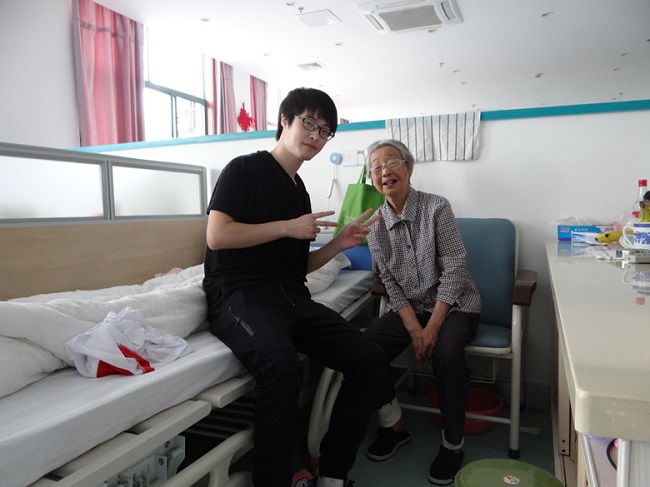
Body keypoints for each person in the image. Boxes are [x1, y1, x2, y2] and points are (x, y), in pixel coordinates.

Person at [202, 87, 387, 487]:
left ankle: (332, 473)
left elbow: (296, 268)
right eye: (309, 123)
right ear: (284, 121)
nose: (316, 136)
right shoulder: (244, 170)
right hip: (239, 292)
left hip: (289, 296)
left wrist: (338, 244)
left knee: (369, 358)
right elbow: (217, 236)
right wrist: (288, 227)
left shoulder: (298, 190)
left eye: (325, 131)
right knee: (281, 364)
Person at [362, 139, 481, 485]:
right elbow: (390, 282)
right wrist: (416, 329)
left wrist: (432, 329)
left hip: (456, 304)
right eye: (376, 167)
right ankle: (394, 425)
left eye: (392, 162)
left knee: (446, 352)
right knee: (365, 349)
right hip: (413, 309)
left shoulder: (436, 207)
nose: (384, 171)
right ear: (372, 179)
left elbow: (456, 268)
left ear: (409, 168)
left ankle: (453, 444)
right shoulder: (375, 226)